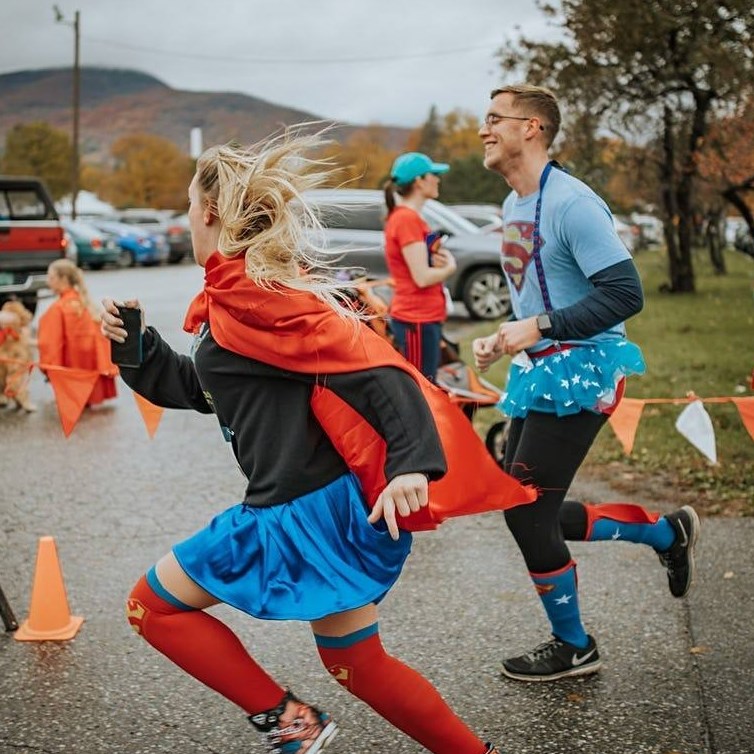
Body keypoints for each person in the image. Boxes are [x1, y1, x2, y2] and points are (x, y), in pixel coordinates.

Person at [100, 130, 525, 753]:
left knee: (152, 608)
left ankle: (291, 724)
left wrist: (413, 464)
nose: (187, 217)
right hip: (320, 506)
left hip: (298, 512)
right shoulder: (238, 291)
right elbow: (211, 389)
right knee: (358, 664)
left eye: (190, 205)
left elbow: (378, 369)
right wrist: (138, 348)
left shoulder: (258, 293)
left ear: (211, 213)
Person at [473, 84, 701, 682]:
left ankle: (574, 645)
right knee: (527, 508)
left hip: (584, 372)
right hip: (541, 371)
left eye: (496, 119)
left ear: (533, 129)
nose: (483, 129)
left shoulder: (572, 204)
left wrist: (540, 327)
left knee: (525, 514)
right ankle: (663, 532)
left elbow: (626, 295)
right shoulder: (514, 204)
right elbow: (540, 296)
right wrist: (504, 336)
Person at [383, 152, 457, 381]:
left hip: (423, 318)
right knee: (422, 388)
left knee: (427, 385)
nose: (438, 179)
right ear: (419, 181)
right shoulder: (406, 219)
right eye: (433, 175)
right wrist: (449, 267)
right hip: (416, 319)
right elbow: (422, 277)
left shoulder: (409, 217)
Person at [37, 259, 117, 406]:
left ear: (63, 279)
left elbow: (50, 344)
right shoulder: (85, 304)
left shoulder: (59, 308)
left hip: (73, 369)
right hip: (88, 366)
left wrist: (49, 368)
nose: (48, 281)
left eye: (51, 277)